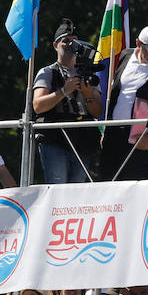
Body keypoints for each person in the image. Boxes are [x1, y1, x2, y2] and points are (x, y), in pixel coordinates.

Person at [33, 19, 103, 183]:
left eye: (73, 41)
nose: (70, 44)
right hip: (55, 140)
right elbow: (38, 106)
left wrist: (88, 95)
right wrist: (65, 91)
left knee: (77, 192)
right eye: (65, 41)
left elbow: (98, 112)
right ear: (55, 45)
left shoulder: (87, 72)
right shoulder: (48, 72)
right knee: (58, 188)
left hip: (82, 141)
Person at [99, 25, 148, 181]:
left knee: (133, 187)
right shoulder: (126, 55)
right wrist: (106, 129)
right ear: (138, 44)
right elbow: (116, 93)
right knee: (105, 183)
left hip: (140, 139)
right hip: (113, 134)